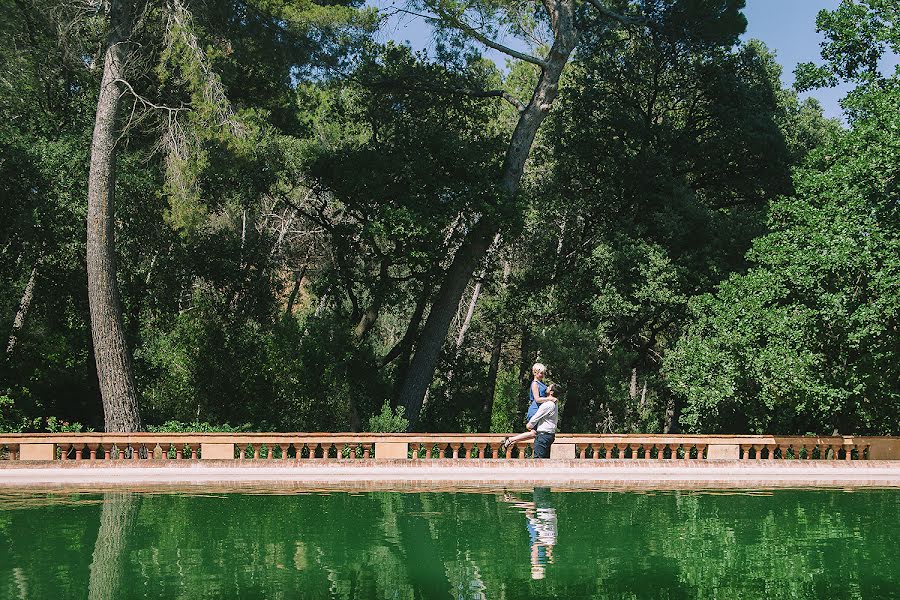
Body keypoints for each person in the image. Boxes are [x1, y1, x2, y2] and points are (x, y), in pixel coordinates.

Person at [500, 383, 560, 457]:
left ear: (551, 392)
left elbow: (537, 416)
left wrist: (530, 425)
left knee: (538, 461)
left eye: (549, 387)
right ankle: (511, 440)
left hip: (543, 436)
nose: (547, 387)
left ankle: (510, 440)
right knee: (544, 462)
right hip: (549, 435)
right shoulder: (554, 404)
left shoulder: (548, 404)